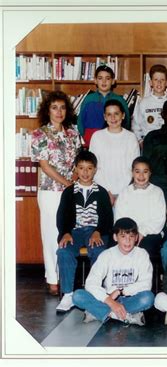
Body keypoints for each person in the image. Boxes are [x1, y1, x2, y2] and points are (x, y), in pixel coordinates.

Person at [31, 90, 82, 296]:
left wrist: (74, 180)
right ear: (47, 110)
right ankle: (53, 279)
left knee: (69, 232)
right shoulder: (39, 134)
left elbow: (79, 162)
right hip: (50, 191)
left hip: (72, 189)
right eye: (54, 107)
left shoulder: (73, 133)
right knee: (51, 234)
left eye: (62, 107)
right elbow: (44, 165)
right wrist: (67, 183)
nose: (59, 112)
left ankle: (67, 277)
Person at [55, 150, 114, 312]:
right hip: (74, 231)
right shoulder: (69, 192)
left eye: (89, 168)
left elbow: (108, 218)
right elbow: (62, 216)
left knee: (99, 251)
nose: (85, 172)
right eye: (81, 168)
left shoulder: (101, 192)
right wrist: (65, 232)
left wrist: (99, 231)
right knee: (63, 252)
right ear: (75, 169)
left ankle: (94, 294)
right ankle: (68, 295)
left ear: (95, 169)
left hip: (95, 231)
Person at [72, 217, 154, 326]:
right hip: (107, 298)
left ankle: (100, 313)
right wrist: (110, 302)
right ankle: (123, 316)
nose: (128, 241)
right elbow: (91, 283)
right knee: (77, 296)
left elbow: (146, 284)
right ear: (115, 237)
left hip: (129, 299)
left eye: (131, 236)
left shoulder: (142, 254)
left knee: (148, 298)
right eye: (123, 236)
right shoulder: (107, 255)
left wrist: (121, 291)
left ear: (136, 238)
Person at [89, 99, 140, 205]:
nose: (113, 118)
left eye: (116, 114)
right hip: (102, 191)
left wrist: (123, 193)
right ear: (104, 117)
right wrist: (106, 192)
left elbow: (134, 168)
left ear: (123, 115)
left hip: (126, 193)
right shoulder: (97, 137)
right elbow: (93, 167)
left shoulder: (131, 137)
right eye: (109, 114)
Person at [114, 156, 166, 259]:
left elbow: (159, 220)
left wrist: (142, 232)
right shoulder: (125, 192)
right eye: (137, 171)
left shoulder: (157, 192)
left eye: (145, 171)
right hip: (128, 232)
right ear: (132, 173)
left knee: (145, 249)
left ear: (150, 173)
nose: (141, 175)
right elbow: (119, 219)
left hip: (150, 233)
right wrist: (131, 235)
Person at [77, 65, 130, 147]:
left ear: (113, 81)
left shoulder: (120, 100)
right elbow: (80, 121)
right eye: (100, 78)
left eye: (107, 78)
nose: (104, 81)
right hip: (92, 141)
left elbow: (127, 122)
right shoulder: (88, 99)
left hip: (115, 141)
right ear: (95, 80)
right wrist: (86, 138)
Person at [132, 64, 167, 147]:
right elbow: (136, 124)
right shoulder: (143, 103)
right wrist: (140, 140)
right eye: (156, 79)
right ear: (150, 82)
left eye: (162, 80)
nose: (159, 82)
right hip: (149, 142)